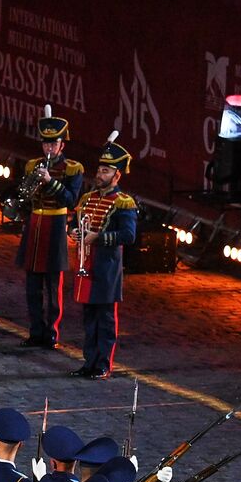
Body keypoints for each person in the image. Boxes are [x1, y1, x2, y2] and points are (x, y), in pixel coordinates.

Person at [69, 134, 137, 380]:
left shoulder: (123, 203)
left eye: (106, 170)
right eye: (100, 169)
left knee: (105, 318)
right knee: (89, 317)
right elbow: (72, 223)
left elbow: (128, 235)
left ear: (117, 175)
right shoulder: (87, 199)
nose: (100, 174)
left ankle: (103, 364)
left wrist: (98, 237)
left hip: (106, 267)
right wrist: (74, 231)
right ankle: (89, 361)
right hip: (85, 262)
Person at [16, 107, 82, 349]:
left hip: (55, 226)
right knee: (32, 286)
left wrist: (51, 182)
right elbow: (24, 196)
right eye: (46, 144)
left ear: (62, 145)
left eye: (53, 144)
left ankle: (52, 333)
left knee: (53, 287)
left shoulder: (73, 169)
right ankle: (35, 331)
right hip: (34, 225)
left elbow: (71, 200)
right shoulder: (32, 164)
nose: (49, 149)